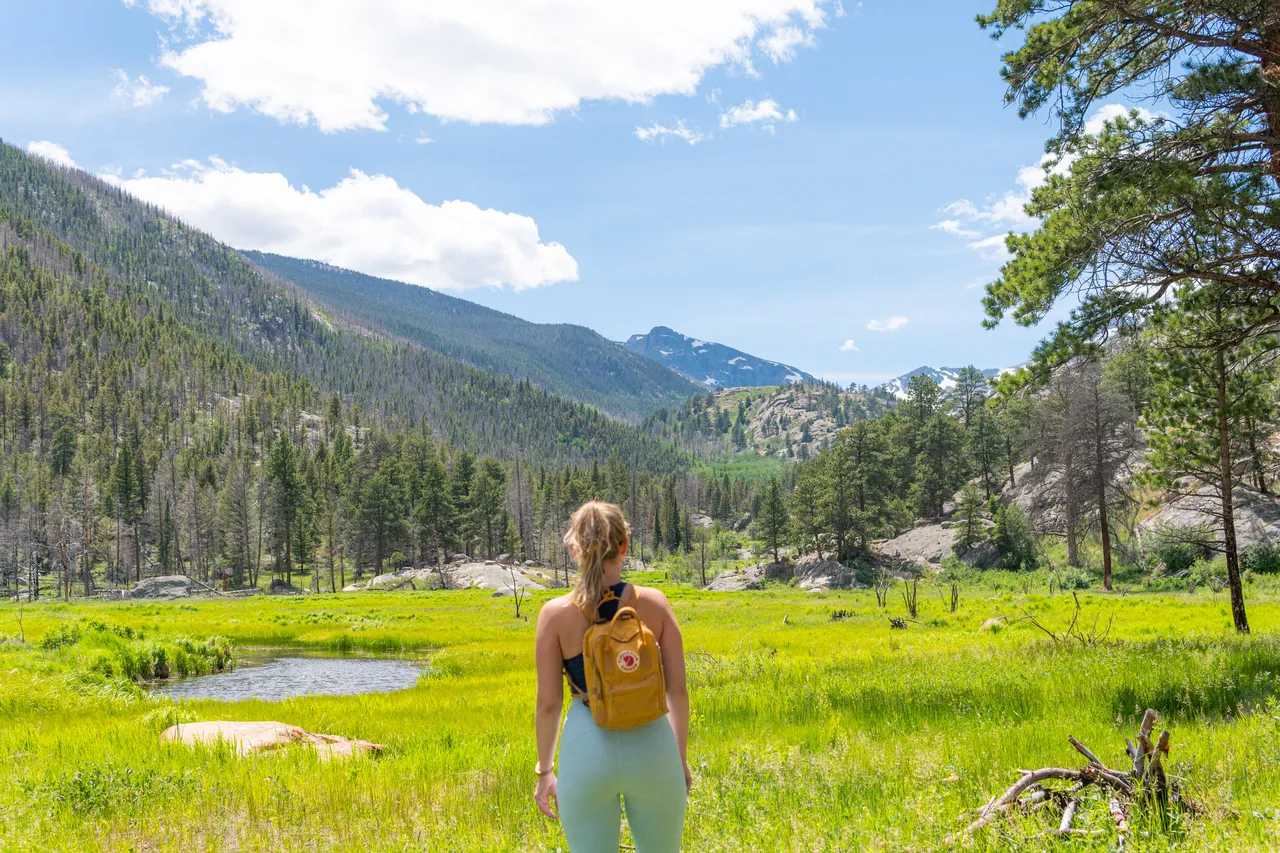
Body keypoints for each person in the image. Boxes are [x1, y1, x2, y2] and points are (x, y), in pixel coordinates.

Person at [533, 500, 690, 852]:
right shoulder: (656, 604)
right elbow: (677, 691)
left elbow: (548, 705)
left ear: (575, 548)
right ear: (625, 545)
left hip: (585, 747)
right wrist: (676, 762)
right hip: (653, 746)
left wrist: (545, 772)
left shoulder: (554, 615)